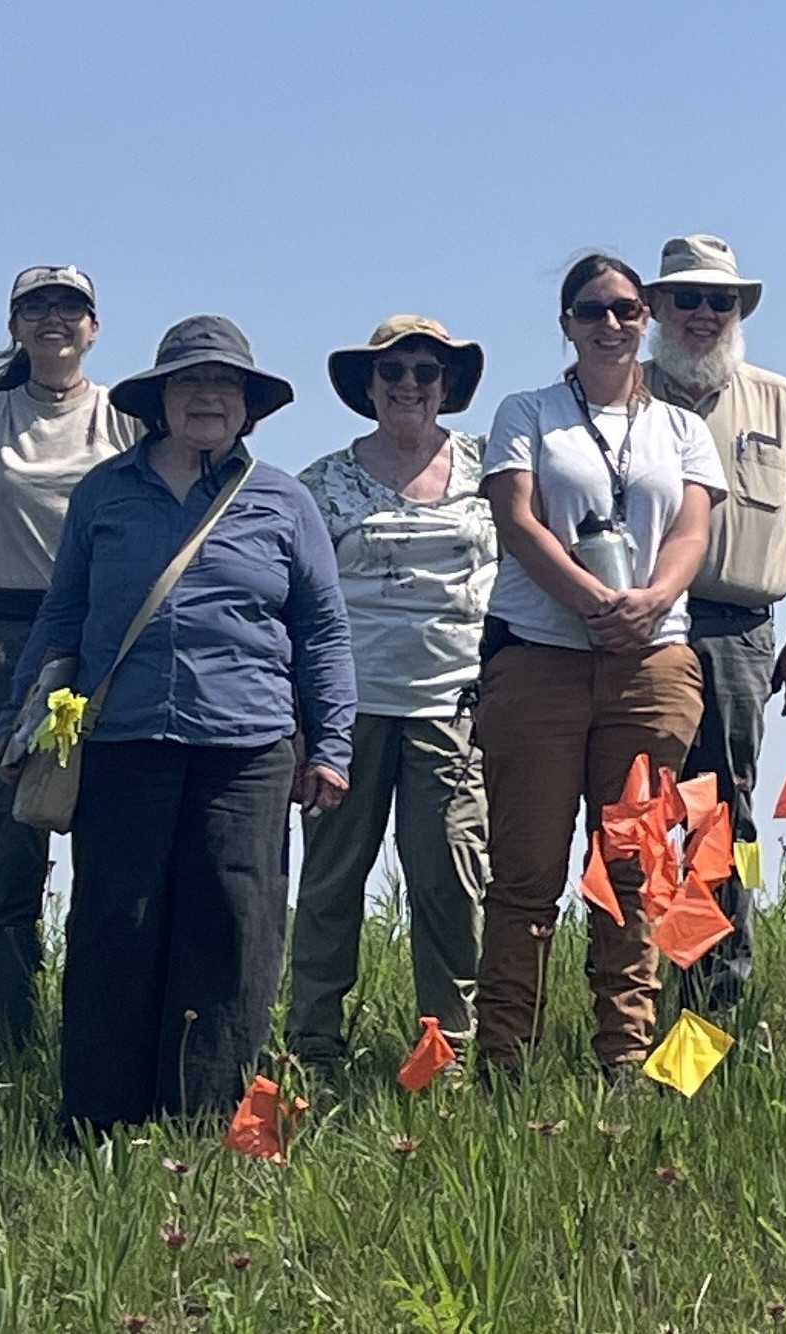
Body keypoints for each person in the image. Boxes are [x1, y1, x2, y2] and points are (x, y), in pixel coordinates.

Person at [4, 315, 355, 1129]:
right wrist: (22, 722)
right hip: (123, 743)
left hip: (249, 750)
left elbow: (323, 629)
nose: (209, 397)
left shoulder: (283, 499)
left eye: (226, 386)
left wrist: (331, 743)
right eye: (192, 383)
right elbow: (63, 614)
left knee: (234, 933)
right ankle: (101, 1121)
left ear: (248, 407)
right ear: (160, 401)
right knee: (114, 926)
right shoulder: (104, 493)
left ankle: (207, 1123)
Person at [474, 255, 726, 1087]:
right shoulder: (528, 411)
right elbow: (518, 519)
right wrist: (592, 599)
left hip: (652, 662)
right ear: (566, 323)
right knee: (528, 869)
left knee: (634, 864)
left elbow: (692, 531)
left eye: (625, 310)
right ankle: (505, 1057)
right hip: (542, 658)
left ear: (645, 318)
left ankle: (624, 1052)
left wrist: (652, 600)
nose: (610, 324)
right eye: (592, 311)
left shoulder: (681, 428)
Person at [0, 264, 141, 1063]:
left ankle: (95, 1038)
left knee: (109, 848)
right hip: (7, 637)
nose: (55, 320)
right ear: (16, 326)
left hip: (103, 638)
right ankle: (10, 1047)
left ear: (93, 326)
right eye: (38, 308)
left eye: (70, 308)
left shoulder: (124, 416)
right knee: (13, 853)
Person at [282, 315, 498, 1083]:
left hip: (456, 707)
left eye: (426, 371)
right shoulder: (320, 485)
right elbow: (295, 608)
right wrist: (305, 720)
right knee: (333, 883)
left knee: (450, 882)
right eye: (393, 372)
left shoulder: (490, 469)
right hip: (350, 712)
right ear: (368, 387)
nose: (409, 384)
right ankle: (314, 1050)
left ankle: (445, 1057)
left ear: (448, 385)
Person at [644, 235, 786, 1018]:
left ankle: (717, 996)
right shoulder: (621, 395)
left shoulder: (781, 402)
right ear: (655, 308)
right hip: (639, 632)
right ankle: (638, 994)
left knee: (726, 809)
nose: (704, 313)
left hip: (740, 632)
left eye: (720, 299)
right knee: (642, 810)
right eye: (687, 298)